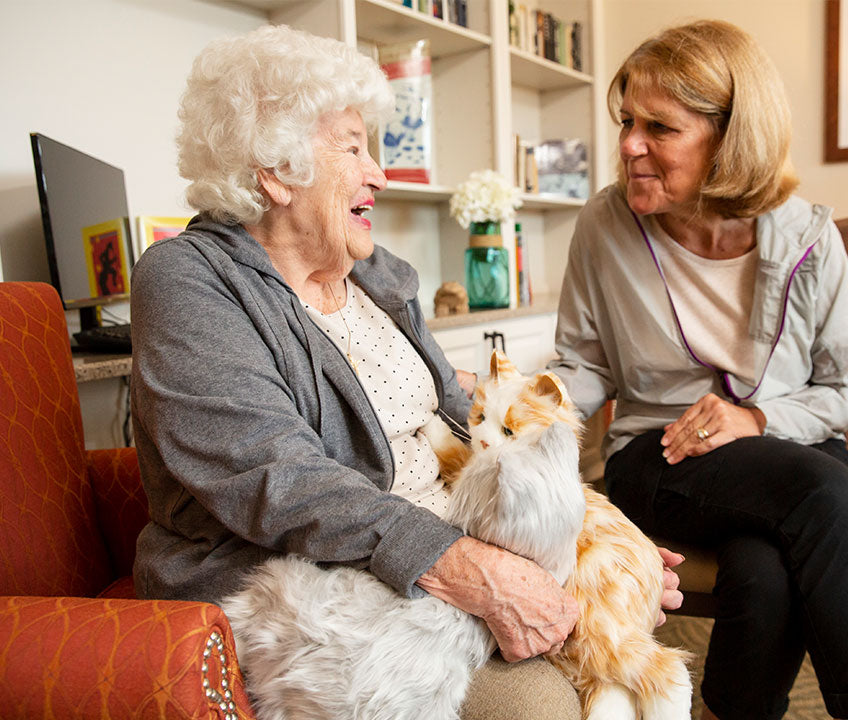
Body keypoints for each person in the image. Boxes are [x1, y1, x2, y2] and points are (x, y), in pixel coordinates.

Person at [130, 24, 680, 718]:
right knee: (541, 703)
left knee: (621, 653)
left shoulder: (376, 280)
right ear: (275, 170)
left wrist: (599, 546)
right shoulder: (189, 282)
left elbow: (471, 430)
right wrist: (473, 572)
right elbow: (276, 478)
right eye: (353, 148)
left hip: (436, 547)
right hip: (308, 589)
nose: (378, 174)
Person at [548, 19, 848, 720]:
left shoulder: (808, 235)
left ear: (730, 138)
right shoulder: (604, 227)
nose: (630, 144)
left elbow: (845, 388)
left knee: (767, 571)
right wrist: (526, 405)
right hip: (660, 456)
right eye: (627, 120)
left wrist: (756, 418)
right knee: (829, 495)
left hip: (785, 452)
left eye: (660, 127)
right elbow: (584, 362)